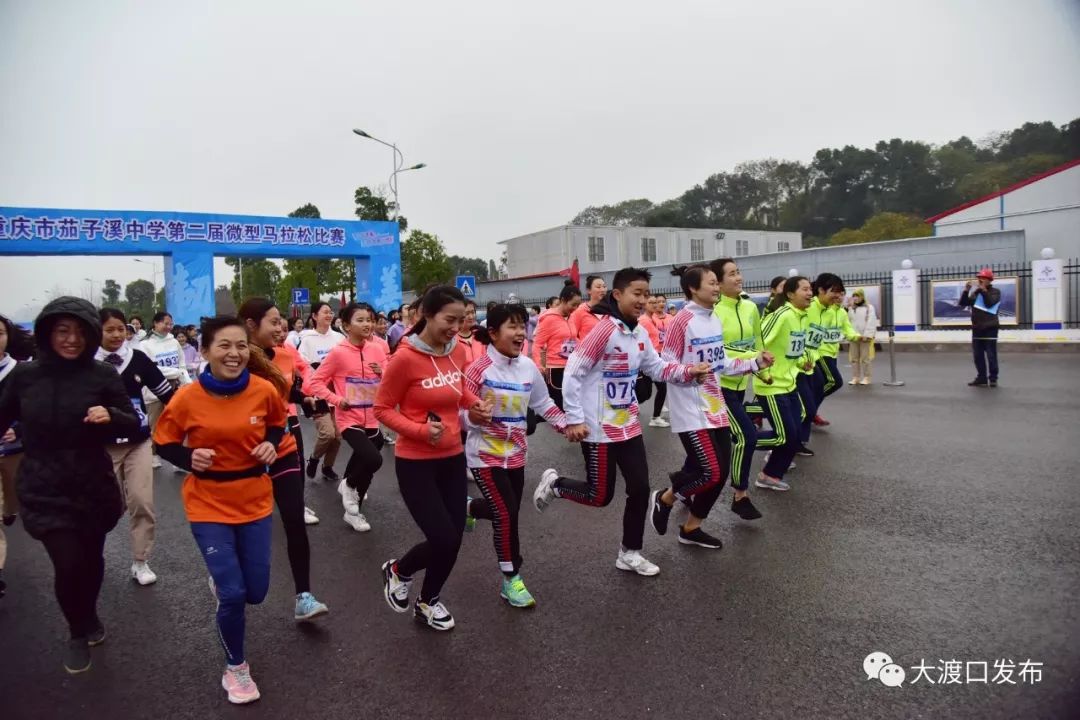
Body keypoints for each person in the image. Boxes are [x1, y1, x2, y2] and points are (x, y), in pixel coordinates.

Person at [533, 267, 709, 576]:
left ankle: (630, 553)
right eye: (636, 294)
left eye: (646, 294)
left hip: (627, 425)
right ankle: (556, 485)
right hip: (598, 428)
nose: (642, 300)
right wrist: (574, 419)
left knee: (640, 490)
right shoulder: (604, 330)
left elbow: (658, 369)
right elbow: (573, 372)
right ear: (618, 295)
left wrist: (688, 373)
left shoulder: (640, 332)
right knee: (599, 495)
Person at [0, 297, 140, 674]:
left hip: (91, 483)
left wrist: (110, 414)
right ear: (47, 333)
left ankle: (89, 612)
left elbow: (133, 421)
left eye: (80, 331)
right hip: (43, 485)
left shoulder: (102, 375)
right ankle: (77, 632)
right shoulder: (24, 376)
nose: (71, 339)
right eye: (63, 330)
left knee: (91, 560)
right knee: (67, 562)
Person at [154, 316, 288, 704]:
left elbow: (277, 425)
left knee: (257, 593)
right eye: (224, 346)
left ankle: (225, 583)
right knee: (233, 594)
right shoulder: (186, 397)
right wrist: (188, 456)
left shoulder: (263, 390)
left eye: (242, 346)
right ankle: (236, 669)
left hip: (255, 500)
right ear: (207, 350)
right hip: (208, 502)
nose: (234, 354)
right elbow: (163, 442)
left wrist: (269, 444)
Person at [374, 285, 492, 631]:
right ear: (426, 314)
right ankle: (398, 570)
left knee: (453, 537)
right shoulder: (404, 358)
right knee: (443, 537)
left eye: (462, 319)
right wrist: (420, 431)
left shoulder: (457, 351)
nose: (456, 327)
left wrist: (474, 406)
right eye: (449, 320)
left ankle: (428, 602)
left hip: (452, 457)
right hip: (415, 463)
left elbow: (458, 387)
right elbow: (382, 409)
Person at [649, 266, 769, 549]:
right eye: (712, 283)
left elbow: (720, 362)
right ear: (693, 288)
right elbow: (662, 366)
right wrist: (689, 371)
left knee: (720, 473)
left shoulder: (713, 318)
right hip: (690, 410)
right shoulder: (683, 320)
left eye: (718, 283)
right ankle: (665, 498)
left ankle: (691, 529)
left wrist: (755, 363)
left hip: (715, 406)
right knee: (710, 473)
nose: (717, 288)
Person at [463, 303, 570, 607]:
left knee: (505, 510)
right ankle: (511, 578)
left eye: (522, 326)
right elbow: (459, 414)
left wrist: (566, 425)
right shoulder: (478, 370)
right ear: (493, 333)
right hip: (484, 456)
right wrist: (474, 417)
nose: (520, 333)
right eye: (512, 326)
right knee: (506, 515)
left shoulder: (527, 367)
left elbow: (544, 404)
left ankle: (469, 509)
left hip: (517, 455)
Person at [237, 298, 330, 619]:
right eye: (273, 322)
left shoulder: (285, 356)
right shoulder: (235, 360)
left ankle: (304, 596)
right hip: (244, 455)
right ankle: (228, 576)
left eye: (281, 322)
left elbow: (286, 393)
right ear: (251, 325)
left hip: (283, 447)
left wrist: (306, 400)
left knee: (293, 519)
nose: (281, 328)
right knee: (247, 525)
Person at [97, 308, 176, 586]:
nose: (117, 335)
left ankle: (140, 561)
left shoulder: (138, 359)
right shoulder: (86, 364)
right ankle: (90, 555)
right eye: (110, 329)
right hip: (101, 447)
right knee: (107, 506)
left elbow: (167, 393)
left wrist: (194, 418)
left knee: (142, 501)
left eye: (122, 329)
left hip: (138, 442)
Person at [306, 302, 389, 533]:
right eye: (360, 320)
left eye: (370, 319)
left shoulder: (378, 349)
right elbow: (315, 381)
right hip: (349, 417)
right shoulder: (339, 353)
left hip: (372, 416)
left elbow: (389, 378)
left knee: (365, 460)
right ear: (345, 325)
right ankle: (349, 483)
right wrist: (335, 399)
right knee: (373, 460)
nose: (367, 324)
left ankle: (354, 511)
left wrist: (382, 373)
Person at [752, 277, 814, 492]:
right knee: (786, 435)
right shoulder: (782, 315)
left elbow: (792, 348)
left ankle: (769, 475)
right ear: (789, 294)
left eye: (810, 289)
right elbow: (758, 342)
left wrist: (802, 361)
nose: (810, 293)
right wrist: (763, 373)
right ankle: (740, 438)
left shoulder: (801, 317)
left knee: (794, 436)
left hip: (789, 383)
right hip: (771, 385)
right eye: (804, 289)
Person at [0, 314, 34, 600]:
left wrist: (18, 429)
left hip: (14, 451)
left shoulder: (21, 372)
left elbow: (33, 411)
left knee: (11, 503)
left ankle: (9, 510)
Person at [298, 301, 344, 481]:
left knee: (338, 436)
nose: (329, 314)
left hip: (337, 392)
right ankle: (314, 459)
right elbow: (302, 367)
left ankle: (327, 467)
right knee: (327, 433)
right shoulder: (307, 339)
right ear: (314, 316)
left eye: (330, 312)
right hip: (317, 393)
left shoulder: (339, 338)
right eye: (324, 312)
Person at [140, 311, 192, 469]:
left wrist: (185, 379)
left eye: (170, 324)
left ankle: (179, 458)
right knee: (154, 424)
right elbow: (151, 369)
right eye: (165, 323)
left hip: (175, 385)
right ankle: (154, 454)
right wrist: (175, 372)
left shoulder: (174, 342)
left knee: (178, 422)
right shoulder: (145, 344)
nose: (168, 327)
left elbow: (181, 362)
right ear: (155, 323)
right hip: (154, 388)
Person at [807, 273, 861, 423]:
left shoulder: (842, 313)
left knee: (820, 387)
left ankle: (811, 410)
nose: (839, 296)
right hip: (820, 353)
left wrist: (857, 337)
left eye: (842, 293)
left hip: (832, 352)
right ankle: (808, 408)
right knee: (834, 382)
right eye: (835, 292)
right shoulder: (822, 309)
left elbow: (847, 329)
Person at [530, 281, 582, 412]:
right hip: (555, 368)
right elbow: (537, 344)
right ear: (563, 300)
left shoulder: (571, 317)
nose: (575, 308)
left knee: (572, 406)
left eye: (578, 305)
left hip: (571, 366)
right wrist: (539, 366)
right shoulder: (549, 319)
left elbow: (574, 338)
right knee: (561, 406)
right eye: (573, 304)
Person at [960, 268, 1002, 387]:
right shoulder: (976, 292)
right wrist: (966, 290)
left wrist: (983, 291)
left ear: (989, 280)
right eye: (979, 278)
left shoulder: (995, 292)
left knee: (991, 354)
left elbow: (990, 303)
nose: (980, 280)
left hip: (990, 328)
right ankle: (981, 377)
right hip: (977, 328)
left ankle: (993, 378)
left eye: (983, 278)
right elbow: (964, 303)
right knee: (978, 355)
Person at [643, 293, 670, 427]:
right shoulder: (643, 320)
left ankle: (655, 417)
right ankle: (655, 417)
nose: (655, 305)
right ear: (644, 304)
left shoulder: (651, 319)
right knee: (645, 391)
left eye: (656, 302)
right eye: (651, 303)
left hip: (656, 357)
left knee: (660, 388)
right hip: (647, 360)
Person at [847, 289, 878, 385]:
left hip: (864, 337)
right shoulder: (851, 308)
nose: (856, 298)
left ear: (862, 297)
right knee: (854, 358)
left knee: (865, 359)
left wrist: (867, 335)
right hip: (854, 337)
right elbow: (848, 322)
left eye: (858, 296)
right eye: (854, 296)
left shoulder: (869, 307)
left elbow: (871, 321)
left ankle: (866, 377)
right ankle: (855, 377)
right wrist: (850, 334)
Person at [569, 275, 607, 341]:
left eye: (604, 286)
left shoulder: (610, 311)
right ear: (589, 290)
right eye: (598, 287)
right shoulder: (580, 311)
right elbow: (571, 335)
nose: (603, 290)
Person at [458, 299, 480, 367]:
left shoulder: (480, 335)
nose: (471, 317)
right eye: (467, 314)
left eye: (473, 312)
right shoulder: (452, 339)